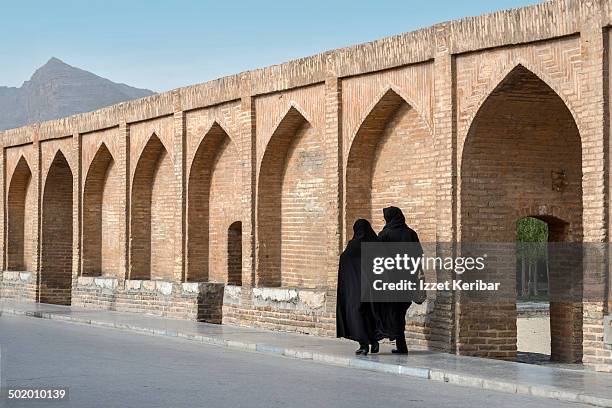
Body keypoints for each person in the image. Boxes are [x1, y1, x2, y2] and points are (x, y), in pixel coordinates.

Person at [375, 206, 422, 354]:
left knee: (393, 312)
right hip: (408, 280)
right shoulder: (411, 234)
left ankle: (398, 342)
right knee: (399, 312)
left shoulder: (384, 235)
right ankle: (400, 342)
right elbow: (418, 256)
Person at [336, 219, 381, 355]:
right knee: (370, 315)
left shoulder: (353, 245)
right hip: (373, 289)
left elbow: (344, 261)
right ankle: (373, 341)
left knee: (358, 315)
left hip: (355, 290)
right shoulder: (375, 244)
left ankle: (364, 344)